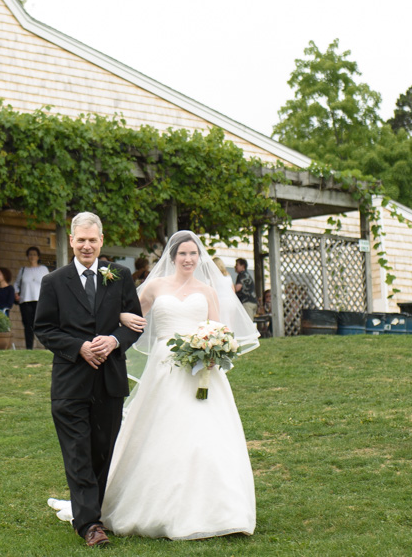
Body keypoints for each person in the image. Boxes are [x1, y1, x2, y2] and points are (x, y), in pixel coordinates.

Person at [52, 230, 259, 540]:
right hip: (165, 367)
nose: (188, 259)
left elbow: (218, 328)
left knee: (207, 435)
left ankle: (221, 510)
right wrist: (115, 323)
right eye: (182, 254)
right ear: (172, 257)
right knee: (162, 431)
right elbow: (130, 315)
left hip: (202, 371)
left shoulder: (208, 290)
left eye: (193, 254)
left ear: (198, 257)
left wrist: (215, 347)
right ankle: (148, 505)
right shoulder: (156, 287)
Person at [35, 212, 142, 548]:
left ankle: (90, 513)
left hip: (109, 381)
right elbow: (44, 329)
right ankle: (90, 525)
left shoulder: (119, 276)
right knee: (78, 452)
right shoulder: (54, 282)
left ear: (101, 241)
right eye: (80, 240)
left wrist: (114, 341)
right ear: (71, 241)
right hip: (70, 382)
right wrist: (79, 346)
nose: (86, 245)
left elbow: (134, 324)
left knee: (101, 452)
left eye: (92, 240)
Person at [15, 246, 49, 350]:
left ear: (38, 256)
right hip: (26, 300)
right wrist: (16, 293)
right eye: (30, 254)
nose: (32, 256)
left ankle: (47, 346)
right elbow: (16, 284)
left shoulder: (43, 269)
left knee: (41, 324)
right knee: (28, 325)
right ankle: (29, 348)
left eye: (34, 254)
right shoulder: (23, 270)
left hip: (40, 301)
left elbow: (49, 283)